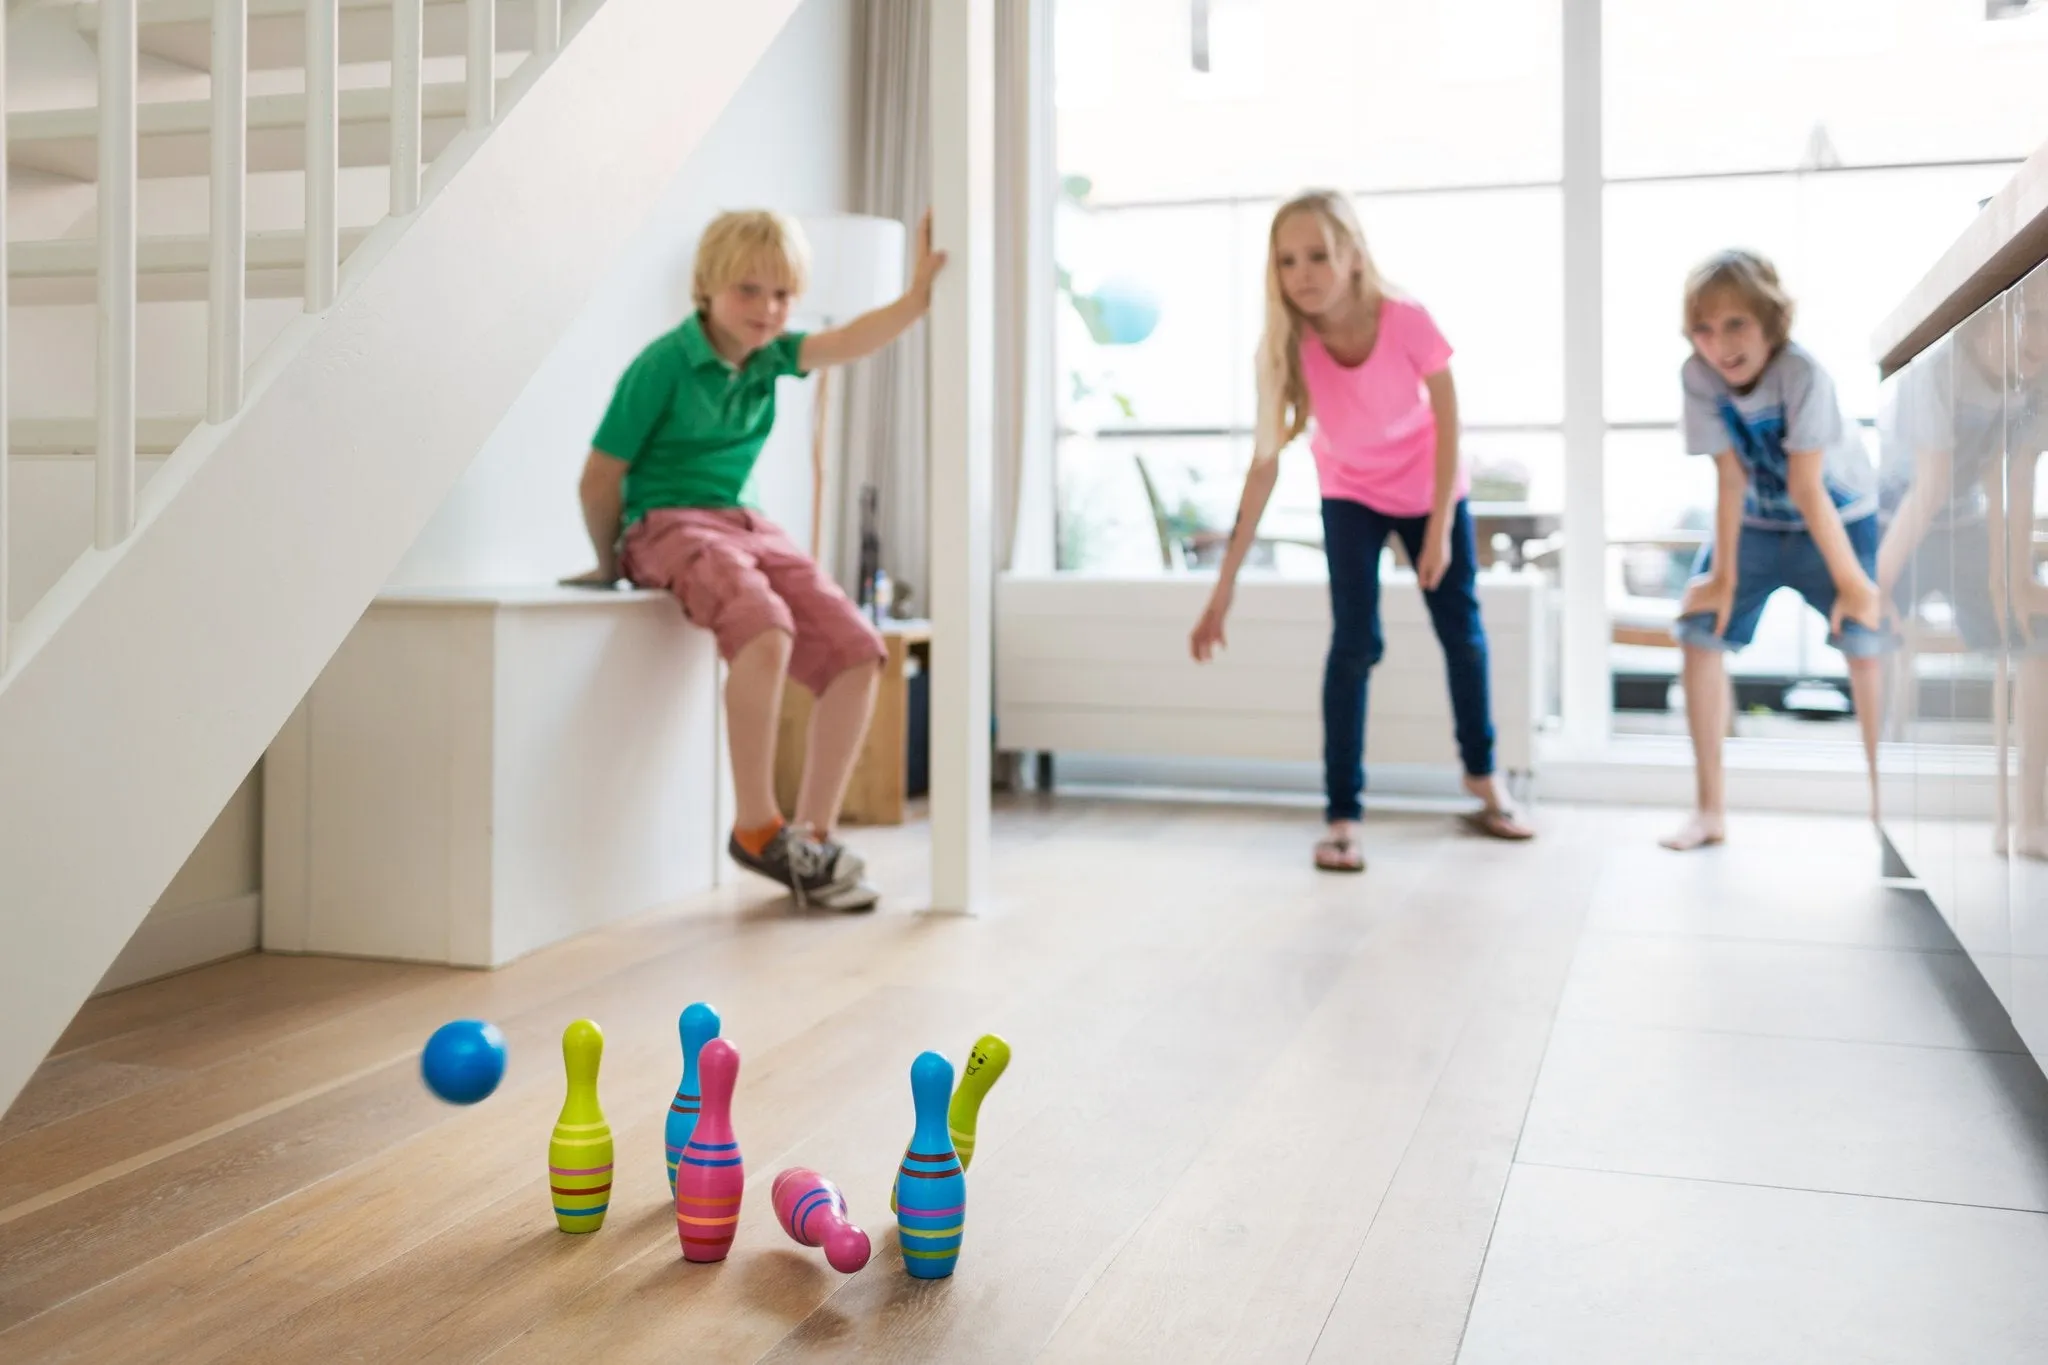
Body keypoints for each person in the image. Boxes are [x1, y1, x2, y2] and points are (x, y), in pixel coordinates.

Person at [565, 209, 945, 909]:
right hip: (666, 520)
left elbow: (851, 340)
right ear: (706, 287)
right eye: (748, 291)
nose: (767, 310)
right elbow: (599, 476)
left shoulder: (772, 357)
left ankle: (812, 839)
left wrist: (918, 299)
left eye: (781, 295)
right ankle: (756, 824)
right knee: (763, 625)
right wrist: (609, 557)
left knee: (860, 651)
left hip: (747, 522)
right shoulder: (663, 364)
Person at [1189, 189, 1534, 873]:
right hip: (1349, 493)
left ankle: (1483, 776)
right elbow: (1263, 467)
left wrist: (1437, 530)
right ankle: (1342, 813)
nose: (1303, 272)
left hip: (1429, 487)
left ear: (1352, 256)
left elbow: (1449, 422)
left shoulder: (1405, 320)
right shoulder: (1287, 345)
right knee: (1353, 645)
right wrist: (1221, 588)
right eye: (1287, 260)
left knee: (1460, 632)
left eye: (1318, 254)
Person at [1661, 249, 1889, 851]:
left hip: (1837, 518)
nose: (1720, 344)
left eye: (1736, 324)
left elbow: (1808, 487)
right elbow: (1730, 480)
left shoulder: (1803, 375)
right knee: (1700, 630)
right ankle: (1709, 811)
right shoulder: (1698, 376)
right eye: (1704, 329)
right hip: (1760, 522)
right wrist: (1724, 580)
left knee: (1867, 645)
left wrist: (1854, 586)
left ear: (1769, 322)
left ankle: (1884, 808)